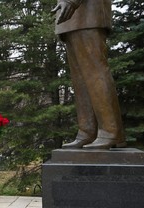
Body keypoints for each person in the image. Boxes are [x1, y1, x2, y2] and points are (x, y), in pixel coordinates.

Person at [52, 0, 126, 149]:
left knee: (95, 74)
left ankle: (110, 132)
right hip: (72, 19)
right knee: (80, 80)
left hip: (87, 14)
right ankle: (87, 131)